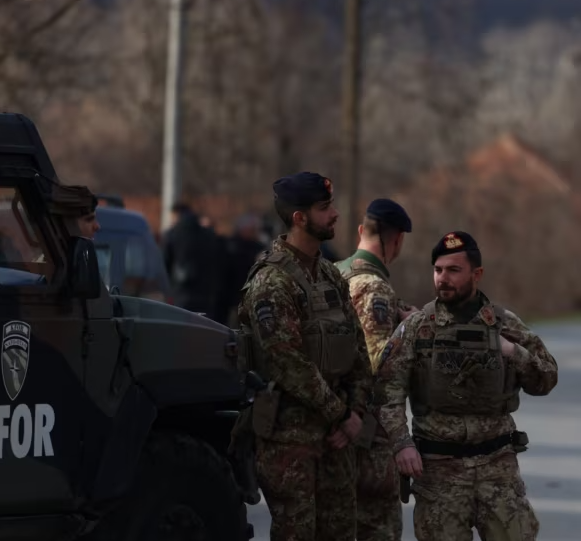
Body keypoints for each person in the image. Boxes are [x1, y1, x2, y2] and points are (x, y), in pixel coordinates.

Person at [374, 231, 558, 541]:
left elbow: (546, 379)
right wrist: (401, 443)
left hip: (498, 471)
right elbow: (386, 393)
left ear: (477, 275)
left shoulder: (504, 324)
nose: (443, 278)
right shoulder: (418, 328)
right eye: (438, 270)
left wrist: (513, 352)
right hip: (439, 474)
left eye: (453, 270)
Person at [235, 171, 373, 541]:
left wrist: (354, 412)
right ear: (300, 218)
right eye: (325, 208)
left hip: (336, 438)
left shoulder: (329, 275)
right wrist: (342, 415)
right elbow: (287, 362)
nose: (335, 214)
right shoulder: (272, 282)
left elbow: (359, 352)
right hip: (290, 439)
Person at [334, 198, 416, 541]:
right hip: (366, 438)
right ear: (396, 240)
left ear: (360, 232)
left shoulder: (335, 272)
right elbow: (379, 368)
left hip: (333, 426)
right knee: (376, 529)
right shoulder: (374, 287)